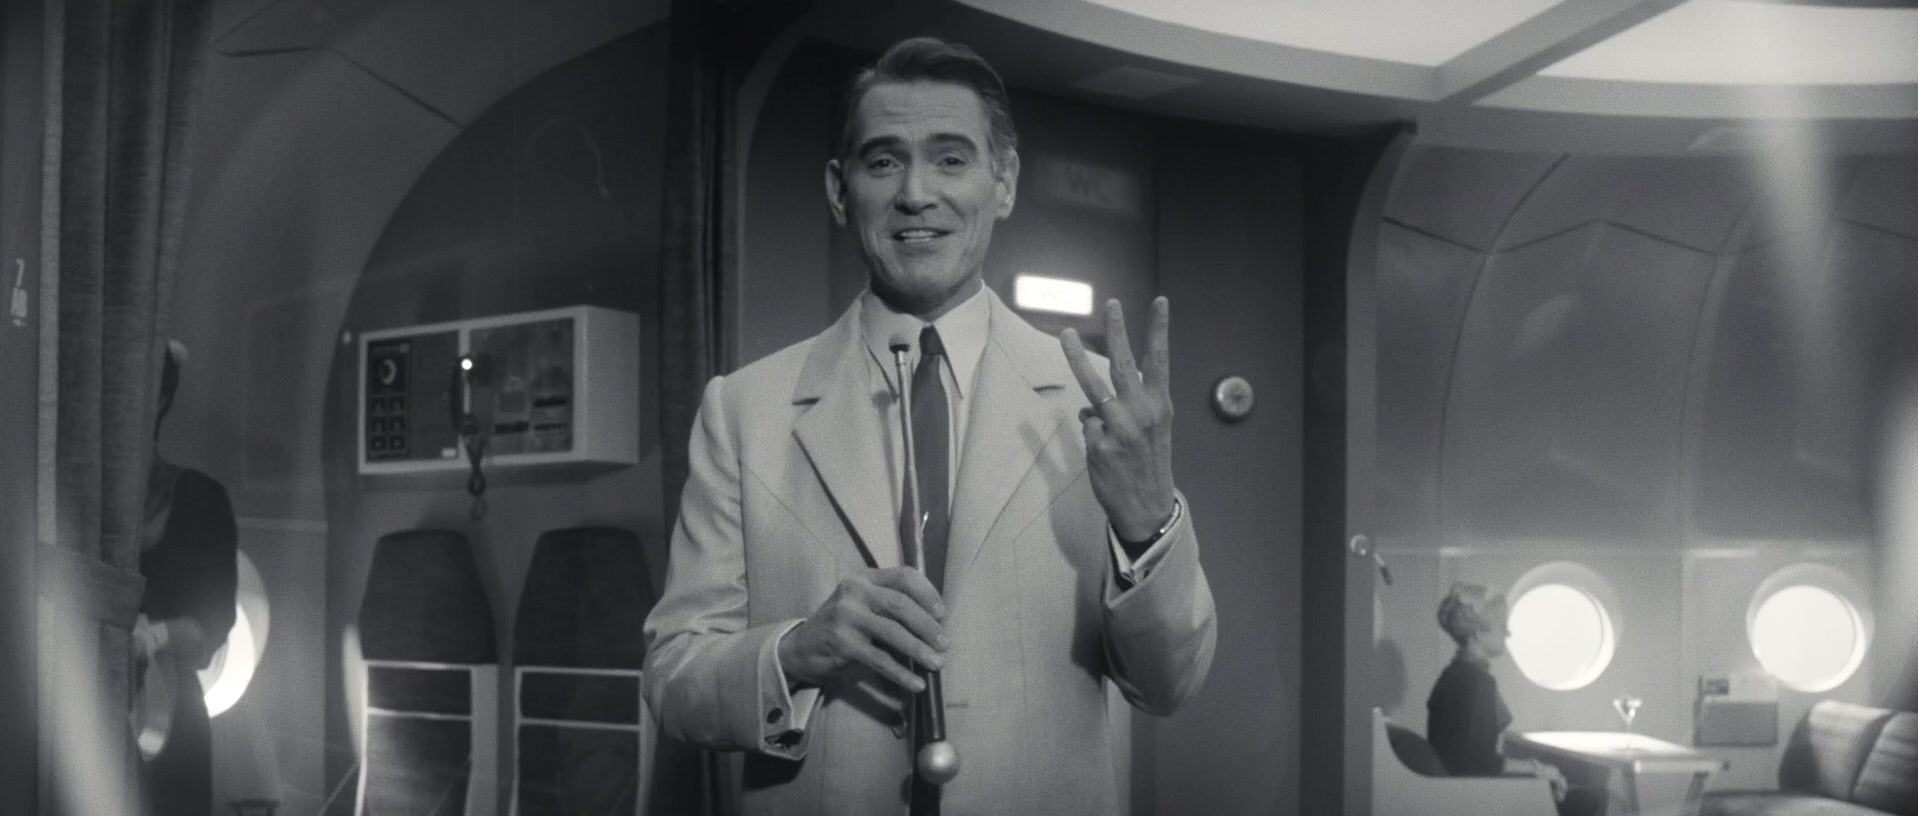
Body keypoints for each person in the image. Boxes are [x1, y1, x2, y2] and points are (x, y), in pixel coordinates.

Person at [643, 36, 1217, 815]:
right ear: (839, 190)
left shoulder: (1096, 407)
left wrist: (1148, 524)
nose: (916, 193)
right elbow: (673, 679)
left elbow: (1169, 684)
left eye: (951, 160)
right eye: (884, 161)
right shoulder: (744, 411)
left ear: (1003, 182)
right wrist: (797, 649)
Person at [133, 340, 238, 816]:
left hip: (173, 723)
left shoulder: (201, 499)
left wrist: (155, 635)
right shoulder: (66, 497)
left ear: (158, 398)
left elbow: (212, 626)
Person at [1427, 583, 1601, 816]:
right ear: (1478, 633)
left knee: (1574, 771)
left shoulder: (1453, 674)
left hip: (1459, 789)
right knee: (1601, 798)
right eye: (1502, 626)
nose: (1508, 633)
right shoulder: (1477, 682)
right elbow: (1477, 763)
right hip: (1475, 797)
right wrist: (1536, 769)